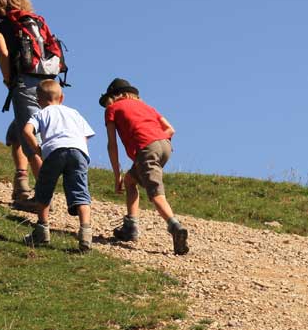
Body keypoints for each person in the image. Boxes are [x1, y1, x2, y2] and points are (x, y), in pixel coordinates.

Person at [100, 78, 189, 255]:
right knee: (130, 180)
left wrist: (116, 175)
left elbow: (112, 145)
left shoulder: (113, 108)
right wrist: (155, 140)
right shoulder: (146, 106)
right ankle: (131, 226)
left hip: (147, 148)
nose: (107, 104)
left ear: (117, 96)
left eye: (108, 100)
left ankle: (175, 226)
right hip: (164, 145)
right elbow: (171, 129)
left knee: (155, 192)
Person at [0, 0, 52, 208]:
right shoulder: (34, 21)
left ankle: (43, 199)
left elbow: (3, 52)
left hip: (24, 83)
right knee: (16, 133)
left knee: (31, 140)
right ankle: (21, 181)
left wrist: (7, 79)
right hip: (48, 83)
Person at [20, 79, 95, 251]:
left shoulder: (41, 113)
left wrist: (38, 150)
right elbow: (86, 135)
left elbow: (26, 131)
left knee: (44, 189)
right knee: (80, 191)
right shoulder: (74, 112)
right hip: (79, 152)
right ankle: (85, 233)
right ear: (62, 98)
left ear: (38, 100)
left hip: (54, 151)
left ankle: (42, 230)